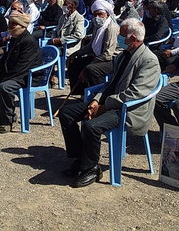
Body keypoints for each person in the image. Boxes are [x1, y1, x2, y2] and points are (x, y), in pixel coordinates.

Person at [59, 18, 160, 188]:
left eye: (122, 35)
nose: (119, 38)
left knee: (91, 126)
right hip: (110, 102)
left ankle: (91, 169)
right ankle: (82, 158)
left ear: (133, 38)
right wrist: (96, 100)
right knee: (66, 113)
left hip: (129, 109)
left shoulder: (149, 60)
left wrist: (104, 106)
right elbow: (110, 84)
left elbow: (136, 93)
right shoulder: (122, 56)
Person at [0, 11, 42, 133]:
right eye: (10, 23)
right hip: (14, 73)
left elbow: (22, 66)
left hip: (26, 76)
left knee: (4, 87)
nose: (10, 27)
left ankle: (8, 120)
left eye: (13, 24)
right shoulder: (16, 38)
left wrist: (3, 77)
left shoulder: (28, 41)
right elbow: (7, 57)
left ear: (21, 25)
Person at [67, 0, 119, 94]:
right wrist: (76, 53)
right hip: (99, 56)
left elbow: (108, 54)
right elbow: (92, 45)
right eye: (95, 15)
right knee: (74, 62)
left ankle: (98, 96)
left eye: (100, 14)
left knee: (90, 69)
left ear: (107, 14)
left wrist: (92, 62)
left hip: (112, 59)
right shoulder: (97, 26)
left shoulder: (111, 28)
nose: (97, 17)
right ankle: (81, 93)